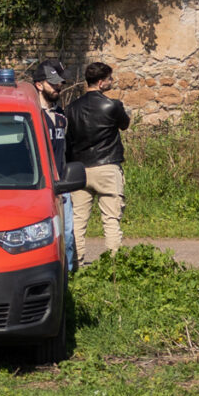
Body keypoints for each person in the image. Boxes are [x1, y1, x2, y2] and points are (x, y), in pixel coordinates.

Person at [65, 61, 132, 256]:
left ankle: (75, 263)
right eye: (110, 78)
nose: (112, 81)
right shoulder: (112, 105)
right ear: (101, 82)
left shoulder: (71, 108)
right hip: (107, 166)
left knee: (78, 220)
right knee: (111, 218)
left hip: (79, 169)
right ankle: (113, 263)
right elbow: (125, 125)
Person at [31, 60, 72, 173]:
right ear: (39, 85)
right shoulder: (32, 115)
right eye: (53, 84)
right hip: (41, 181)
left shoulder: (61, 114)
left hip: (61, 181)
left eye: (59, 83)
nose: (58, 87)